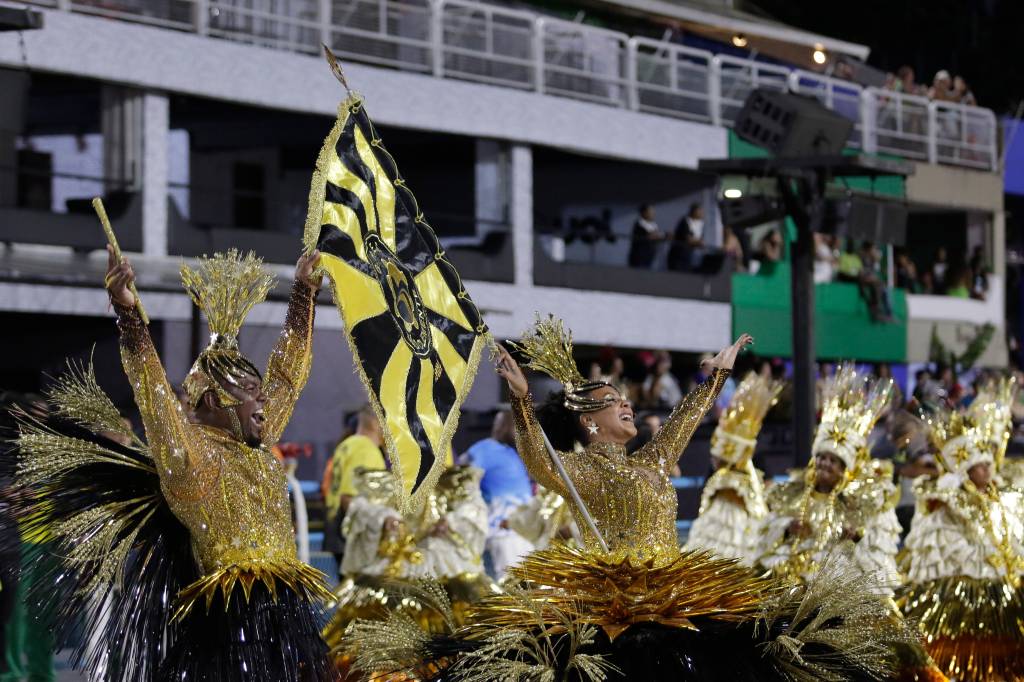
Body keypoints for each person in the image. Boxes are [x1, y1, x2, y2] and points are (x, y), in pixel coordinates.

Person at [343, 319, 919, 680]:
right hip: (616, 608)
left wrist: (715, 379)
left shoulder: (650, 461)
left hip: (672, 593)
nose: (626, 405)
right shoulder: (577, 471)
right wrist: (522, 403)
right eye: (613, 401)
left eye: (624, 398)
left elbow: (681, 425)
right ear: (591, 423)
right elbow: (539, 458)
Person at [9, 248, 336, 681]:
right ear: (210, 403)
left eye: (260, 392)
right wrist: (128, 314)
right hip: (232, 633)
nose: (264, 403)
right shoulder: (193, 459)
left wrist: (303, 294)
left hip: (287, 621)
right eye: (250, 392)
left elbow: (288, 377)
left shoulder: (254, 442)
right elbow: (155, 394)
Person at [756, 365, 902, 596]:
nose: (825, 464)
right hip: (793, 576)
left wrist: (856, 537)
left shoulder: (860, 501)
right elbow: (766, 530)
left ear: (846, 470)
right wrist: (787, 529)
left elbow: (878, 544)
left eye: (833, 461)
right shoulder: (793, 493)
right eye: (821, 458)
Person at [901, 409, 1024, 681]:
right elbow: (946, 544)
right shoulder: (948, 501)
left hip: (1002, 580)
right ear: (966, 472)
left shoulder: (1002, 498)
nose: (987, 470)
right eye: (979, 466)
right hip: (960, 587)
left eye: (988, 464)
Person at [683, 372, 781, 565]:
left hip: (735, 544)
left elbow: (768, 484)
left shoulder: (738, 476)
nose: (714, 457)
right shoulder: (723, 477)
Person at [464, 410, 535, 580]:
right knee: (511, 589)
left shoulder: (516, 453)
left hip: (525, 533)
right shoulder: (484, 448)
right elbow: (463, 477)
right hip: (503, 535)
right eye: (499, 423)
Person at [325, 405, 386, 569]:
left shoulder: (347, 444)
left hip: (335, 526)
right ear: (376, 424)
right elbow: (348, 497)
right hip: (351, 533)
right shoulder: (366, 449)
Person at [667, 203, 705, 272]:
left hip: (691, 255)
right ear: (694, 211)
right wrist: (698, 242)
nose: (701, 213)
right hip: (679, 255)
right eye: (699, 211)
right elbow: (688, 239)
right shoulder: (685, 221)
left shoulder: (701, 223)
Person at [626, 204, 664, 268]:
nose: (653, 214)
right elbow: (650, 236)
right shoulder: (639, 223)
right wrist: (660, 235)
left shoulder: (653, 224)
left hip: (649, 256)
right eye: (650, 212)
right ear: (644, 213)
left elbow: (657, 235)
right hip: (639, 256)